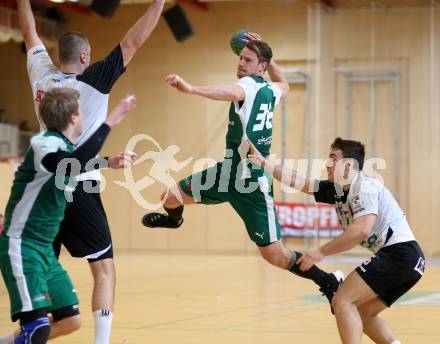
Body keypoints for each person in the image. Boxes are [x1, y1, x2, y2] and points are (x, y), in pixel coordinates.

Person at [142, 34, 343, 301]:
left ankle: (329, 281)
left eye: (247, 59)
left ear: (260, 67)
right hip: (226, 173)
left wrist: (192, 89)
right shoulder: (271, 90)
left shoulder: (247, 86)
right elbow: (285, 84)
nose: (241, 63)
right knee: (170, 196)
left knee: (276, 256)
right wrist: (270, 63)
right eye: (240, 58)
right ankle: (175, 220)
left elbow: (228, 91)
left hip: (253, 183)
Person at [15, 0, 164, 342]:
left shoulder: (41, 74)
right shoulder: (94, 80)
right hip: (80, 187)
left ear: (59, 54)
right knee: (104, 270)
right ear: (85, 57)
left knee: (40, 273)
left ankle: (25, 335)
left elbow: (28, 32)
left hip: (45, 188)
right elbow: (132, 42)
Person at [248, 137, 425, 344]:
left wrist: (321, 251)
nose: (327, 164)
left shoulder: (365, 186)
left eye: (333, 158)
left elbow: (361, 229)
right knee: (363, 313)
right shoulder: (338, 190)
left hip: (400, 255)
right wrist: (264, 163)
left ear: (349, 166)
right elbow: (302, 182)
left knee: (342, 301)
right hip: (411, 263)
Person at [0, 88, 136, 344]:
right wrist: (111, 121)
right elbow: (65, 164)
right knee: (38, 328)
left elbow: (72, 163)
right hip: (23, 246)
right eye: (81, 110)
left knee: (70, 321)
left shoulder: (63, 146)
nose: (83, 114)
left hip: (43, 252)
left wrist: (107, 162)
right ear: (74, 118)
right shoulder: (44, 143)